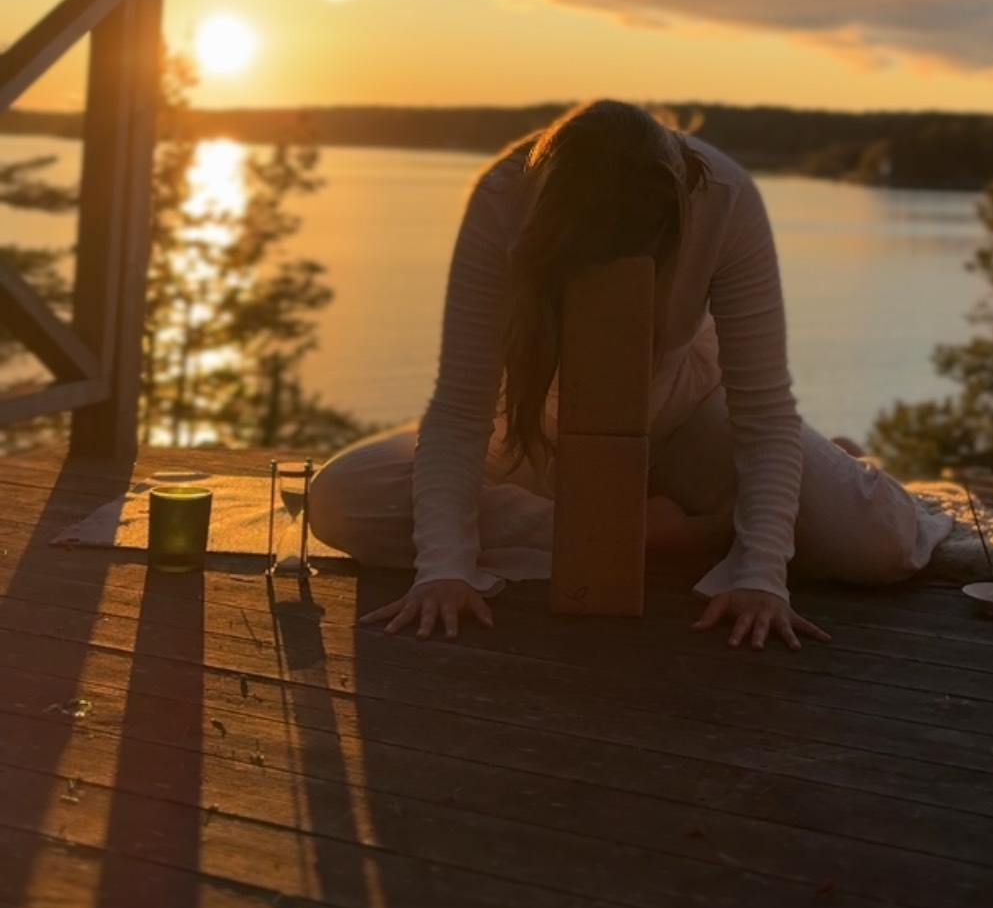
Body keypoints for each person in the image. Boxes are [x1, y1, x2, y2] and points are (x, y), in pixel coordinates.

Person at [308, 99, 953, 655]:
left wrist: (761, 575)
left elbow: (762, 410)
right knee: (340, 498)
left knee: (881, 546)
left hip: (689, 421)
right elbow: (461, 408)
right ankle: (669, 533)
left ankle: (795, 486)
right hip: (543, 432)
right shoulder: (504, 199)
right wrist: (443, 570)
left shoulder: (725, 198)